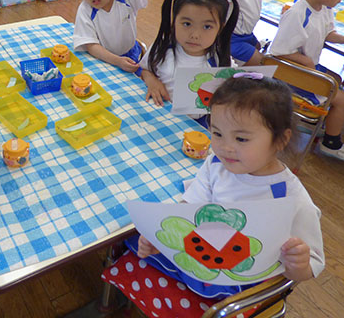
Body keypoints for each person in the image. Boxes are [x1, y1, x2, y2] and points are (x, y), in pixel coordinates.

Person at [101, 75, 324, 317]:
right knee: (130, 242)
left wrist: (298, 264)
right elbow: (190, 208)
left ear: (281, 140)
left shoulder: (293, 199)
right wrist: (162, 240)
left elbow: (310, 265)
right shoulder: (216, 164)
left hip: (241, 281)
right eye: (217, 133)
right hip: (198, 255)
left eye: (241, 138)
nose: (225, 147)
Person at [269, 0, 344, 162]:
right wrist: (304, 60)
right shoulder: (297, 14)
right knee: (343, 101)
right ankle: (331, 143)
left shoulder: (324, 7)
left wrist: (342, 38)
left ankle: (323, 123)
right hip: (292, 74)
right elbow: (277, 53)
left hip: (308, 68)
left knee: (337, 81)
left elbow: (327, 32)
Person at [138, 0, 239, 122]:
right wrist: (152, 81)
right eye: (187, 24)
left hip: (197, 123)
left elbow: (236, 86)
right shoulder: (163, 49)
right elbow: (144, 69)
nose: (195, 35)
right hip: (158, 113)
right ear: (174, 21)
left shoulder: (219, 59)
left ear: (220, 29)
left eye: (207, 26)